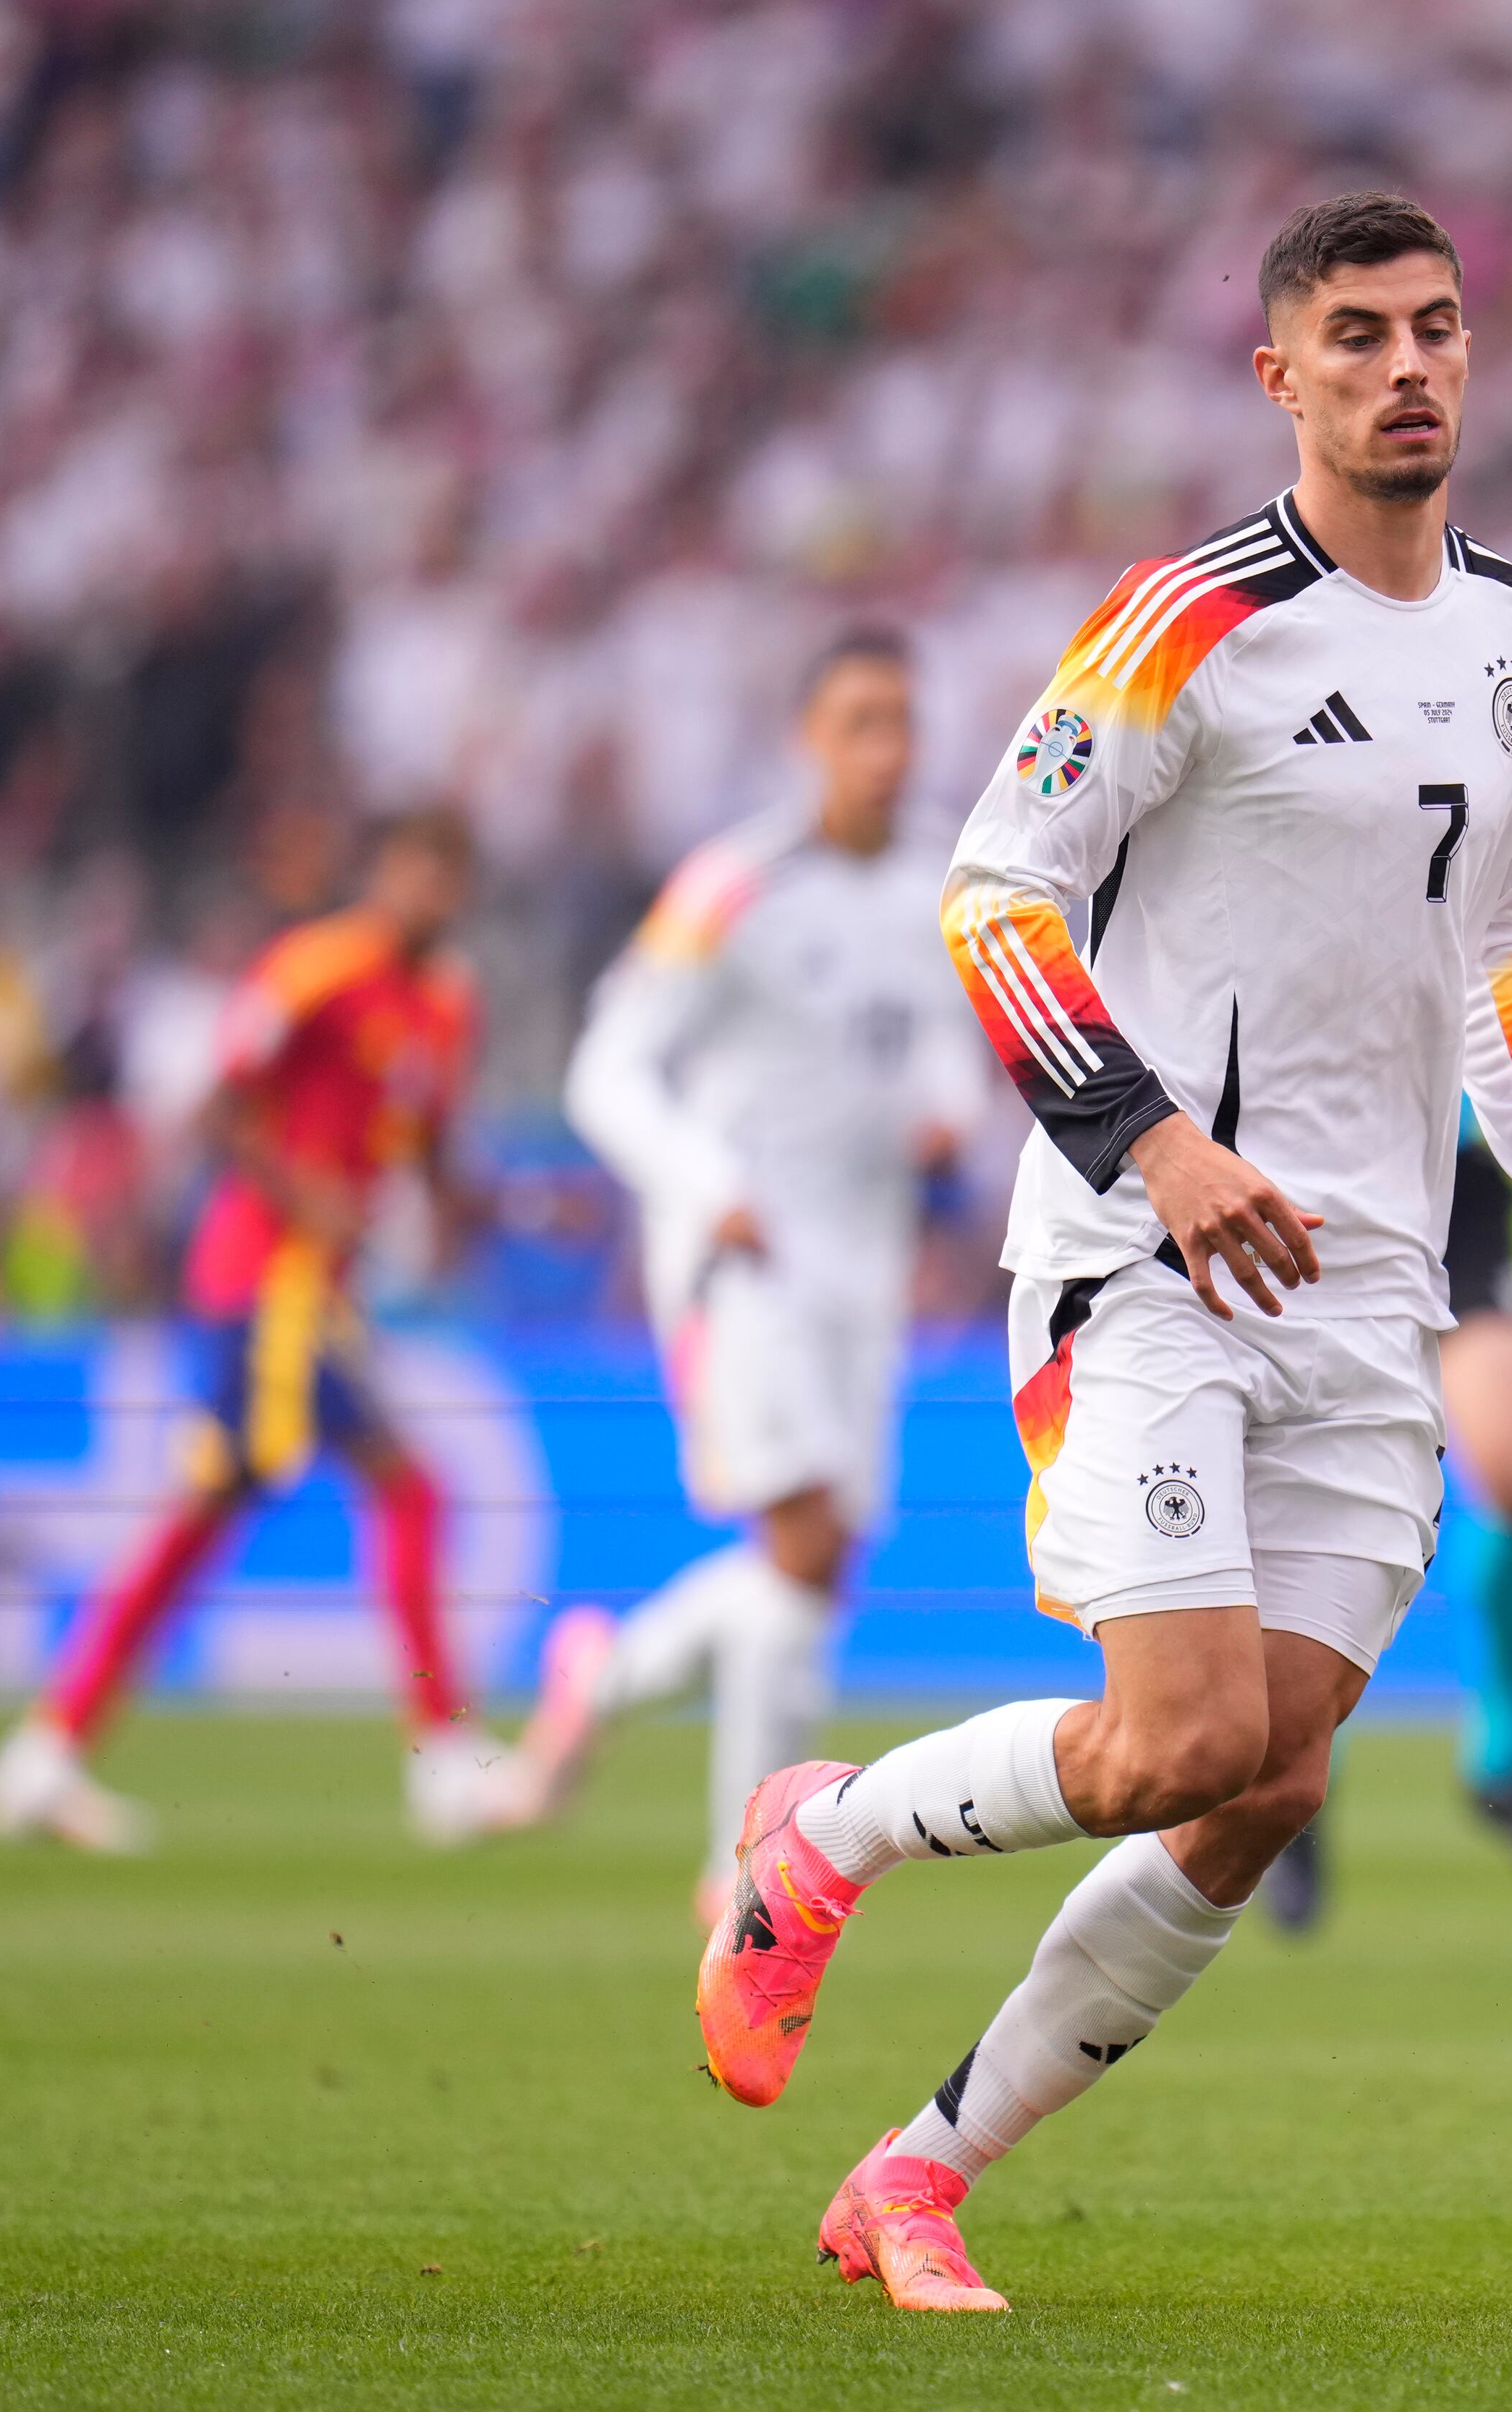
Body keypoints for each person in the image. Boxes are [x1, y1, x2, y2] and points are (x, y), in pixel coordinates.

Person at [689, 192, 1512, 2314]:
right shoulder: (1180, 620)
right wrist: (1157, 1142)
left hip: (1379, 1285)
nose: (1407, 366)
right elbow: (992, 890)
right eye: (1357, 337)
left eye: (1434, 330)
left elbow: (1494, 947)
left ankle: (914, 2173)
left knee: (1266, 1778)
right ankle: (823, 1830)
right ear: (1282, 378)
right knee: (1168, 1737)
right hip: (1146, 1259)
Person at [504, 628, 989, 1921]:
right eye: (858, 723)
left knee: (813, 1570)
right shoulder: (732, 884)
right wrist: (705, 1184)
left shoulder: (951, 874)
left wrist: (949, 1112)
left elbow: (954, 1037)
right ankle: (747, 1869)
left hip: (865, 1259)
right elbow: (606, 1070)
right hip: (740, 1253)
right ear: (806, 740)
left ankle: (600, 1677)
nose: (885, 749)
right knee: (805, 1534)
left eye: (900, 720)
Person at [0, 811, 500, 1852]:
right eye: (414, 870)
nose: (429, 894)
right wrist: (307, 1197)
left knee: (207, 1510)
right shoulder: (316, 969)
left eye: (449, 875)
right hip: (266, 1276)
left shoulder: (448, 1004)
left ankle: (46, 1749)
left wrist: (460, 1210)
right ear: (381, 870)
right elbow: (220, 1107)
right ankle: (444, 1756)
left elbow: (429, 1139)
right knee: (407, 1483)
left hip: (318, 1288)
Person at [1262, 1101, 1512, 1932]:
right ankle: (1299, 1780)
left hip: (1464, 1220)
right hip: (1319, 1214)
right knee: (1319, 1506)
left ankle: (1502, 1758)